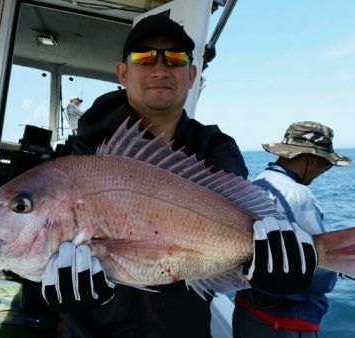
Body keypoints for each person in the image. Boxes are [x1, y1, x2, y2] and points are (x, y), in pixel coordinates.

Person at [41, 15, 318, 338]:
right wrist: (57, 296)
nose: (160, 68)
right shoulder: (81, 155)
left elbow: (232, 248)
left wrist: (268, 279)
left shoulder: (216, 150)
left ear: (191, 75)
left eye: (174, 58)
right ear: (122, 72)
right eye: (144, 57)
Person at [233, 121, 352, 338]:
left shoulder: (255, 184)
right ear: (310, 159)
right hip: (284, 324)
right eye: (325, 165)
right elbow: (320, 275)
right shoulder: (299, 197)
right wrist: (336, 267)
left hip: (247, 313)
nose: (323, 171)